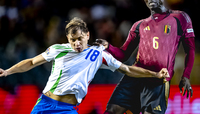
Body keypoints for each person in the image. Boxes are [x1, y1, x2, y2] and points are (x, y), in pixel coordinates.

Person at [0, 17, 169, 114]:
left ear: (87, 35)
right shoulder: (57, 50)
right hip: (44, 104)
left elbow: (127, 69)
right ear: (68, 39)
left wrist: (154, 75)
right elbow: (30, 62)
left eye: (80, 38)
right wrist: (7, 71)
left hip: (68, 109)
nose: (77, 43)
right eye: (72, 40)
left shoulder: (98, 54)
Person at [94, 0, 195, 114]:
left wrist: (185, 76)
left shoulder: (180, 17)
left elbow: (190, 49)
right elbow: (123, 54)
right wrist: (109, 47)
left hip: (158, 81)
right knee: (111, 110)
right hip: (134, 76)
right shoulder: (139, 25)